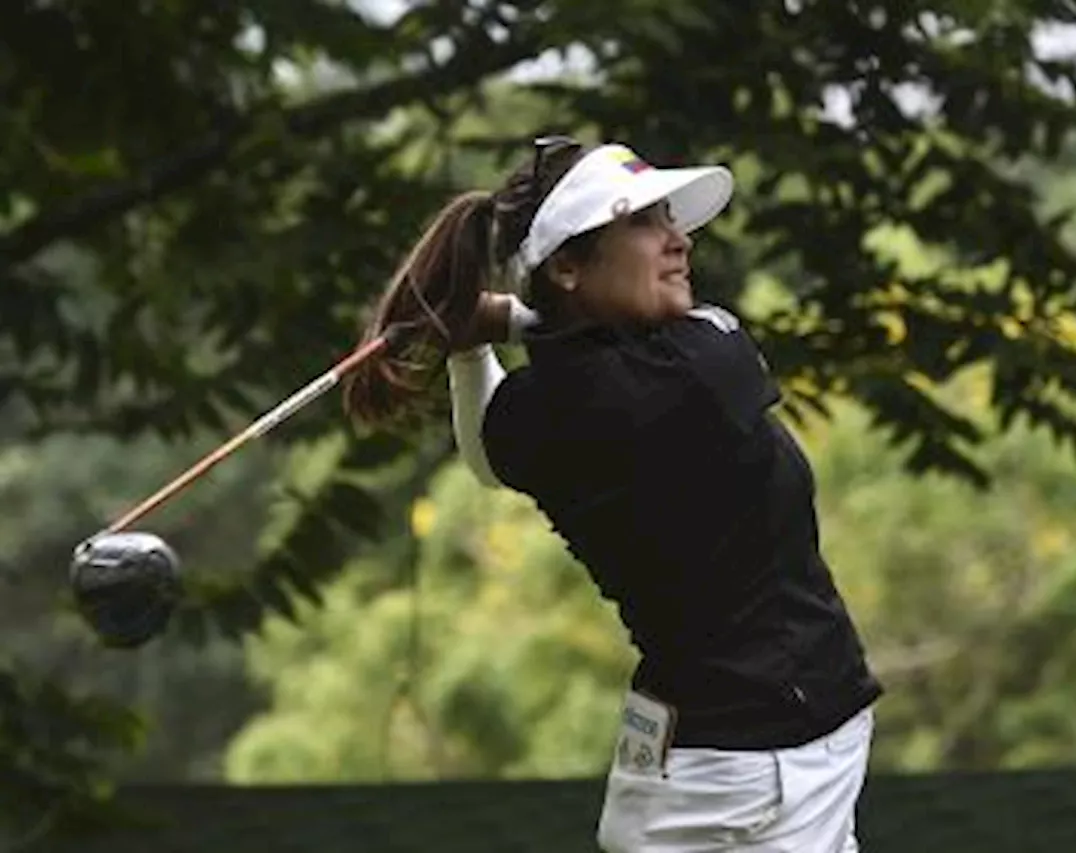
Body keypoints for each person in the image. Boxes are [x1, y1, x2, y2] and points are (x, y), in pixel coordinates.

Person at [343, 136, 882, 852]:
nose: (677, 240)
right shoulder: (701, 366)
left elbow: (487, 457)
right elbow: (684, 336)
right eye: (645, 223)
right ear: (567, 264)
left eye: (670, 218)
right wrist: (504, 319)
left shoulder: (534, 412)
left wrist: (475, 342)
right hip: (752, 772)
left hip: (735, 755)